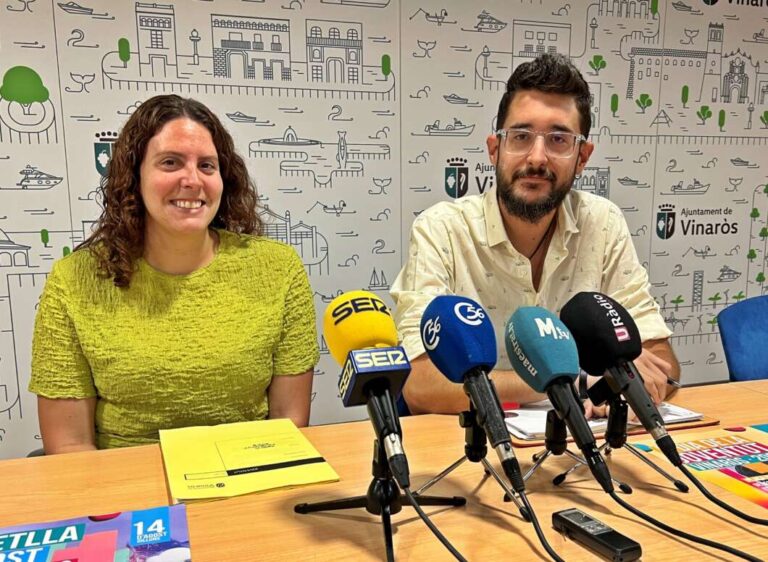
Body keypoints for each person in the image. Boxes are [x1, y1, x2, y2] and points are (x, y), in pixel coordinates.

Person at [391, 54, 679, 415]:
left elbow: (662, 365)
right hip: (471, 441)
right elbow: (420, 385)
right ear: (495, 149)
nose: (537, 157)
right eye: (521, 137)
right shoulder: (442, 229)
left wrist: (631, 380)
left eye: (558, 139)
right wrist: (571, 381)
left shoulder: (603, 223)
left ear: (582, 156)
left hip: (582, 439)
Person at [30, 95, 318, 453]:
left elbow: (289, 425)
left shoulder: (278, 269)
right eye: (170, 162)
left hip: (247, 473)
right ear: (134, 176)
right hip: (126, 480)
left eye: (207, 166)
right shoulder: (74, 280)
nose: (192, 180)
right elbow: (70, 445)